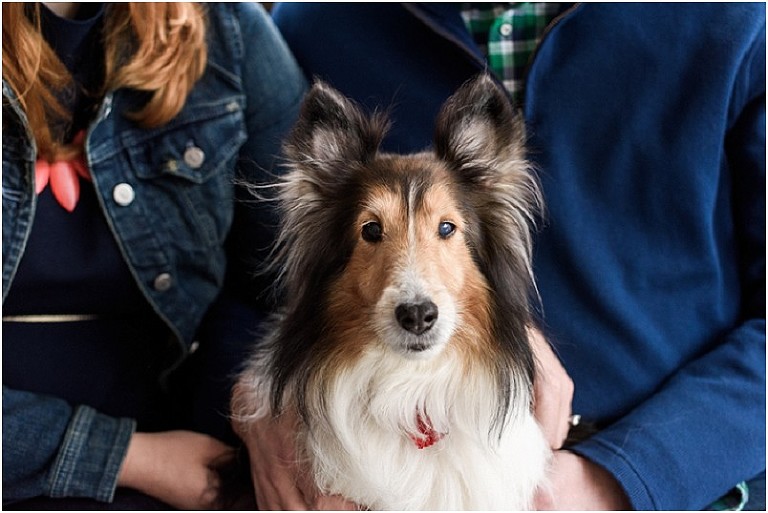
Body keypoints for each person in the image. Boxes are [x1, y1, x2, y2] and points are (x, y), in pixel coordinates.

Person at [234, 3, 765, 510]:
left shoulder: (736, 16)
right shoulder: (317, 20)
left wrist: (623, 478)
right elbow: (248, 279)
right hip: (353, 459)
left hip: (679, 475)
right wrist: (257, 399)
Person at [2, 2, 306, 509]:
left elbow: (293, 283)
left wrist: (259, 398)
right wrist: (133, 458)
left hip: (198, 451)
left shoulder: (227, 32)